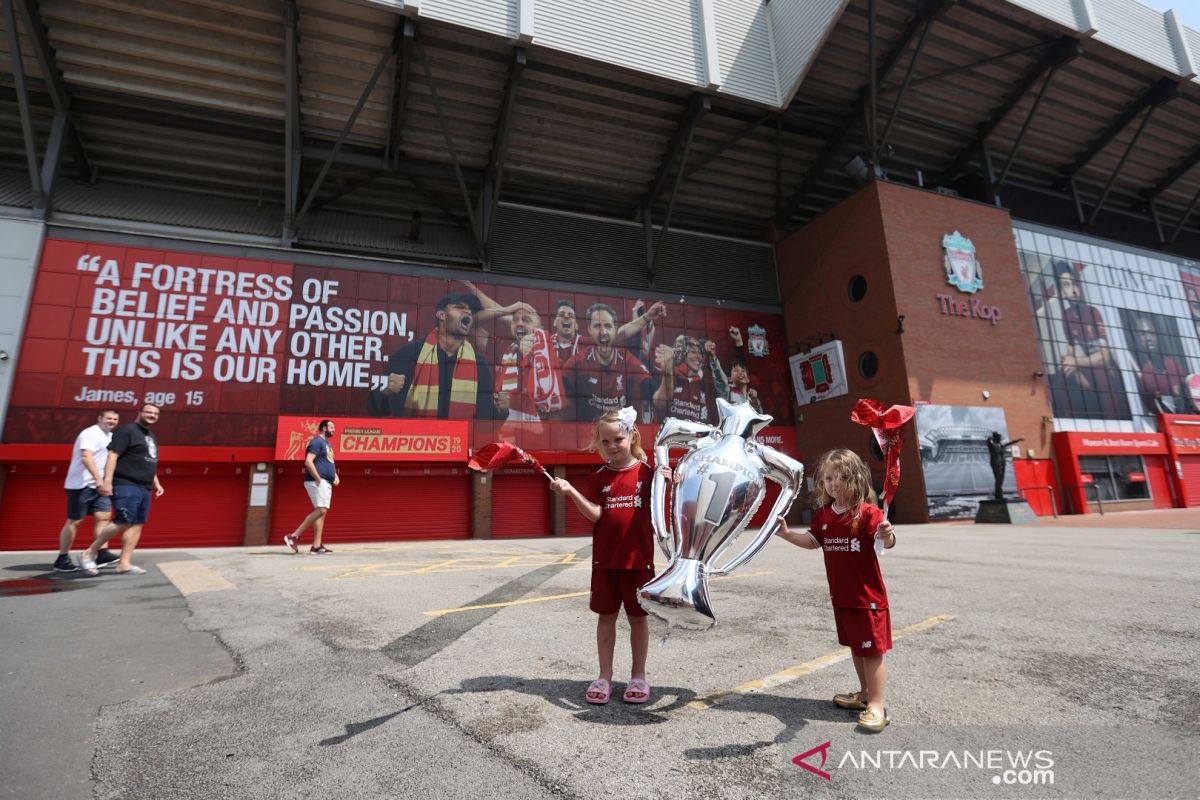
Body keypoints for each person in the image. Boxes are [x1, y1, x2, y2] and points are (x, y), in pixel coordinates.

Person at [774, 448, 896, 732]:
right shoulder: (825, 515)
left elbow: (885, 541)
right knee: (856, 647)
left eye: (840, 477)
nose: (833, 483)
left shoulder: (868, 513)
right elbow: (812, 541)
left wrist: (887, 535)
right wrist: (787, 534)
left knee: (872, 651)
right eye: (828, 477)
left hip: (868, 600)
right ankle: (864, 694)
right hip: (842, 597)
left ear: (855, 479)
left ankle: (877, 705)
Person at [549, 407, 661, 705]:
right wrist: (572, 491)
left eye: (618, 440)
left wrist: (674, 476)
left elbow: (667, 506)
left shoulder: (649, 474)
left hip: (638, 561)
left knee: (638, 620)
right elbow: (596, 515)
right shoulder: (598, 478)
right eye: (606, 442)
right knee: (606, 618)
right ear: (598, 444)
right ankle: (604, 677)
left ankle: (638, 677)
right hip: (605, 563)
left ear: (632, 436)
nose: (612, 446)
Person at [374, 293, 495, 419]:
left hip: (460, 438)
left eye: (470, 310)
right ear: (441, 315)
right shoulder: (408, 354)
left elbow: (483, 426)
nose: (468, 312)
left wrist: (500, 412)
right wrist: (386, 392)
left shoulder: (479, 366)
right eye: (459, 307)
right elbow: (375, 411)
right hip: (416, 437)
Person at [80, 404, 165, 576]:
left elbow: (149, 460)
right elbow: (113, 455)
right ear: (140, 413)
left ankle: (124, 563)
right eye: (148, 412)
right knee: (124, 519)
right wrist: (107, 482)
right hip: (125, 483)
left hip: (144, 486)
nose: (152, 415)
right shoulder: (127, 431)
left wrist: (156, 482)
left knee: (137, 524)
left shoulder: (151, 436)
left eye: (155, 413)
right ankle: (89, 552)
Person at [561, 302, 671, 422]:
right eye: (597, 326)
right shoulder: (577, 362)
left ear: (615, 330)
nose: (603, 332)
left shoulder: (627, 361)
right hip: (587, 434)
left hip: (619, 434)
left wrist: (668, 373)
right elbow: (562, 407)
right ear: (589, 329)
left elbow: (659, 402)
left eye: (608, 326)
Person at [55, 410, 122, 572]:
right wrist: (99, 480)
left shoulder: (110, 437)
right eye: (108, 418)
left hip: (99, 486)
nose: (111, 421)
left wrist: (107, 481)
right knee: (75, 520)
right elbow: (86, 457)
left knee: (103, 517)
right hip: (81, 484)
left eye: (115, 419)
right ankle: (62, 558)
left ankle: (102, 553)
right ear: (100, 418)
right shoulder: (90, 433)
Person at [284, 419, 339, 555]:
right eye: (331, 427)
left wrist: (334, 475)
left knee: (322, 512)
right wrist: (318, 479)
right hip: (317, 482)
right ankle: (294, 536)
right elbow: (308, 462)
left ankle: (316, 546)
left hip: (326, 481)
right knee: (321, 510)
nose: (334, 429)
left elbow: (328, 461)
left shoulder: (327, 444)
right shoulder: (317, 442)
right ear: (324, 428)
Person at [1131, 316, 1190, 415]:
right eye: (1143, 334)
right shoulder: (1141, 375)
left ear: (1157, 336)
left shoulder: (1174, 367)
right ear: (1138, 339)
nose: (1148, 338)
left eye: (1151, 333)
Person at [986, 432, 1024, 500]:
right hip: (996, 463)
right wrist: (992, 436)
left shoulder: (1001, 445)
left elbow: (1010, 443)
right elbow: (988, 440)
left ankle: (999, 494)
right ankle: (998, 495)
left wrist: (1018, 440)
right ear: (996, 437)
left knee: (1001, 479)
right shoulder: (992, 444)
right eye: (999, 437)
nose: (1000, 438)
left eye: (1000, 437)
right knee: (998, 479)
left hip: (1002, 463)